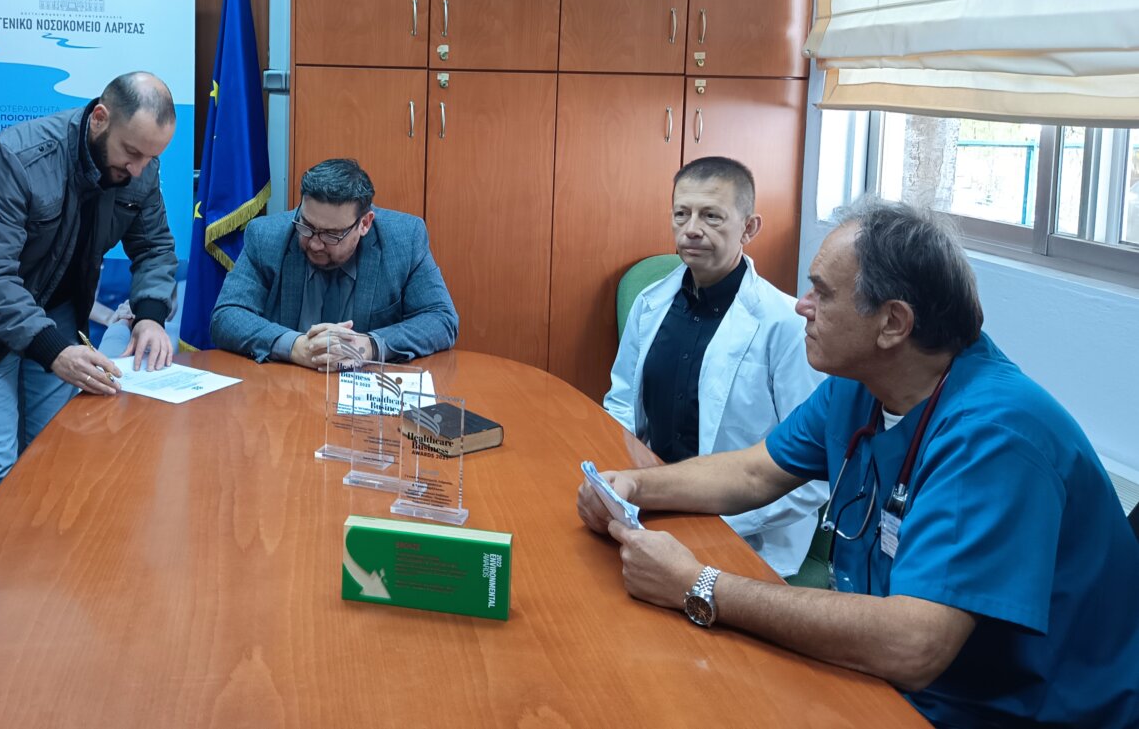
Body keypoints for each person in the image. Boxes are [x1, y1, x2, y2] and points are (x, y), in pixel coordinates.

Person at [577, 198, 1139, 727]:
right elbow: (752, 471)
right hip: (891, 679)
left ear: (893, 323)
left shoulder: (993, 437)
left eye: (822, 294)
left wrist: (698, 584)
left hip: (1011, 711)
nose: (802, 306)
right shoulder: (863, 384)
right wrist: (634, 487)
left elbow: (913, 645)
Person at [0, 71, 179, 493]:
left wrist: (150, 316)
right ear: (100, 118)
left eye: (151, 158)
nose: (138, 170)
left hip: (56, 309)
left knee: (53, 454)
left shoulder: (141, 169)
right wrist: (54, 351)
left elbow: (153, 247)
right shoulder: (15, 158)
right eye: (132, 153)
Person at [605, 157, 825, 578]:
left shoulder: (787, 325)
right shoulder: (650, 304)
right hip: (652, 503)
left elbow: (812, 472)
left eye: (711, 216)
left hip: (747, 531)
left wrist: (721, 522)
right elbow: (621, 404)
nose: (691, 229)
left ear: (749, 228)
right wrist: (618, 485)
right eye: (681, 214)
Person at [211, 158, 457, 368]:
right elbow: (227, 315)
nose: (315, 243)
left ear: (365, 224)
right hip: (285, 387)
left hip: (363, 393)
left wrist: (370, 345)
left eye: (331, 235)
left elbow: (441, 319)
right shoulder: (265, 236)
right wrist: (295, 346)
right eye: (307, 226)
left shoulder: (404, 239)